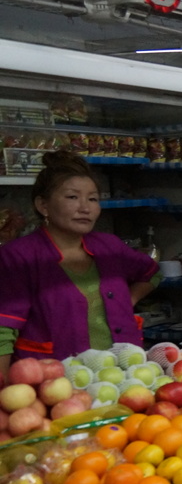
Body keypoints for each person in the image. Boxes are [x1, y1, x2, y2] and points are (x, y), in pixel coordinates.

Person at [0, 151, 160, 375]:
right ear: (43, 205)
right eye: (72, 197)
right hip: (55, 380)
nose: (85, 208)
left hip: (124, 376)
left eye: (92, 199)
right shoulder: (18, 257)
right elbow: (4, 329)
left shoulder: (110, 247)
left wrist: (129, 298)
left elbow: (152, 274)